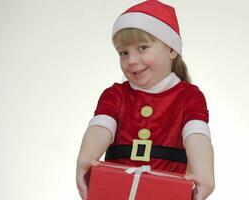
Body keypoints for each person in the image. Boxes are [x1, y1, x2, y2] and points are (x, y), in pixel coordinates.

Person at [76, 1, 215, 199]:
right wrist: (86, 158)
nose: (131, 60)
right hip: (115, 190)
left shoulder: (189, 96)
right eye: (124, 52)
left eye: (142, 48)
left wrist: (204, 173)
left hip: (166, 192)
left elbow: (196, 136)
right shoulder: (115, 94)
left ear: (171, 49)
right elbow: (101, 127)